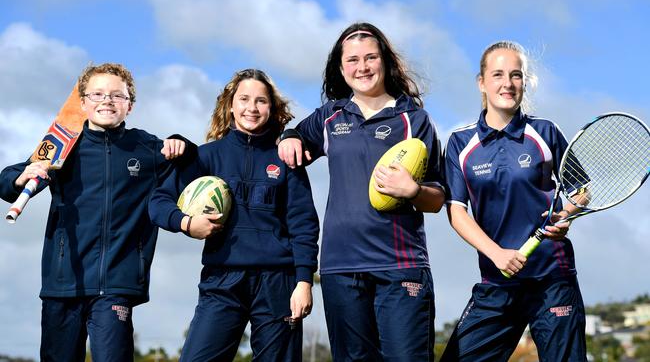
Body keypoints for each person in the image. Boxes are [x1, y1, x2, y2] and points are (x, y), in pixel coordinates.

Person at [0, 63, 193, 361]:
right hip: (62, 283)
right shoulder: (61, 148)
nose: (107, 100)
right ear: (82, 103)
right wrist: (22, 175)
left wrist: (182, 143)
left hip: (117, 284)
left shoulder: (147, 150)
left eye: (117, 95)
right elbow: (6, 182)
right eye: (98, 94)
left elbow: (194, 161)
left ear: (130, 106)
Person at [277, 22, 446, 361]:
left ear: (384, 61)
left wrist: (412, 190)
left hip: (400, 266)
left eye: (370, 57)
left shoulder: (414, 119)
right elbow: (295, 135)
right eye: (352, 60)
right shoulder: (330, 116)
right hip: (341, 268)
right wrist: (290, 137)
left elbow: (438, 198)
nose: (363, 67)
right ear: (341, 68)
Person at [149, 68, 319, 361]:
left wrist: (304, 281)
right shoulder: (206, 156)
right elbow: (159, 201)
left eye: (261, 101)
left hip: (278, 282)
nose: (251, 108)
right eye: (244, 99)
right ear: (230, 104)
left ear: (272, 108)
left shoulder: (286, 158)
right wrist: (187, 223)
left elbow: (304, 225)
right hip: (222, 279)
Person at [440, 41, 586, 361]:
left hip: (552, 279)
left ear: (524, 82)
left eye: (516, 75)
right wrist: (497, 254)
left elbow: (580, 190)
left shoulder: (545, 132)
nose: (508, 83)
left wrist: (566, 217)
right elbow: (456, 211)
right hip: (497, 282)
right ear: (482, 82)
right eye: (498, 74)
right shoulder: (460, 143)